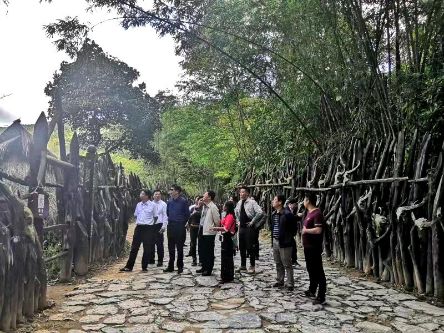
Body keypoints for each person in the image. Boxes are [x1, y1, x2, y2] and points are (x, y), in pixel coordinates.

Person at [120, 190, 157, 272]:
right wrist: (141, 222)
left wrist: (149, 225)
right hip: (139, 228)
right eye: (141, 193)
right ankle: (129, 266)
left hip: (148, 228)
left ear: (147, 196)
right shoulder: (138, 205)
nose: (140, 195)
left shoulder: (153, 205)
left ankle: (144, 267)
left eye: (142, 193)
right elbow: (136, 215)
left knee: (147, 248)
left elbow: (155, 217)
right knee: (134, 248)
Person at [302, 192, 327, 305]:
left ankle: (321, 295)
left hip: (314, 247)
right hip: (307, 246)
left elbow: (318, 230)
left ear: (308, 201)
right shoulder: (309, 213)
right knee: (310, 268)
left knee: (318, 270)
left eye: (304, 200)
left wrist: (306, 231)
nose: (303, 202)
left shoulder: (317, 213)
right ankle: (312, 289)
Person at [235, 186, 264, 274]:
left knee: (250, 247)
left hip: (249, 228)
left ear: (247, 193)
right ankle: (243, 265)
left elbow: (260, 212)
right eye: (240, 192)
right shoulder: (239, 202)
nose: (241, 194)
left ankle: (252, 266)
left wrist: (252, 221)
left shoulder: (252, 202)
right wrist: (238, 221)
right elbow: (236, 212)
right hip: (242, 227)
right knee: (242, 246)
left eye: (243, 192)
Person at [270, 194, 296, 291]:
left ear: (280, 202)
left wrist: (288, 237)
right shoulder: (273, 214)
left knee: (287, 263)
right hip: (275, 240)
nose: (273, 201)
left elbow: (294, 228)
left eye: (275, 199)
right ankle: (280, 280)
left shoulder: (287, 214)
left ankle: (290, 282)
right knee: (278, 262)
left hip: (285, 241)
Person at [164, 185, 190, 274]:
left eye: (172, 190)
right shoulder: (169, 201)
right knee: (170, 247)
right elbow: (167, 213)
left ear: (177, 191)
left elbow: (187, 214)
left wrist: (183, 223)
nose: (170, 191)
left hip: (180, 226)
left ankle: (180, 266)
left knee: (179, 247)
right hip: (171, 225)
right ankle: (170, 266)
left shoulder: (183, 201)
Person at [197, 190, 220, 276]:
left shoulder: (213, 207)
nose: (203, 196)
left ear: (209, 197)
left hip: (209, 232)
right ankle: (203, 266)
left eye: (205, 195)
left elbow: (217, 221)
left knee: (208, 251)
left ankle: (208, 269)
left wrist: (212, 229)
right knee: (201, 250)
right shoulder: (204, 206)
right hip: (202, 230)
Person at [212, 201, 236, 283]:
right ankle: (225, 276)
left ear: (227, 207)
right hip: (224, 237)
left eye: (225, 205)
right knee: (224, 257)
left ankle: (227, 276)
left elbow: (226, 228)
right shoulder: (226, 215)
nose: (223, 206)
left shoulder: (230, 216)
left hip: (227, 238)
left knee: (227, 258)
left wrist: (215, 228)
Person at [152, 189, 168, 267]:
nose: (157, 195)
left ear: (161, 195)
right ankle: (151, 259)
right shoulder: (150, 204)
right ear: (153, 195)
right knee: (150, 243)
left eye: (159, 194)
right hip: (151, 226)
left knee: (159, 244)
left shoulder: (163, 204)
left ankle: (160, 260)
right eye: (156, 194)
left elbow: (165, 215)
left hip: (159, 225)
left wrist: (164, 226)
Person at [187, 196, 203, 266]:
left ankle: (201, 260)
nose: (201, 201)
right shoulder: (192, 208)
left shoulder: (205, 209)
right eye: (200, 200)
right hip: (193, 228)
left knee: (200, 244)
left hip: (200, 228)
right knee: (193, 244)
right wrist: (188, 224)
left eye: (202, 200)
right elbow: (189, 217)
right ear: (197, 201)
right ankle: (194, 259)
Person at [287, 198, 301, 267]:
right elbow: (290, 218)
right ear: (290, 204)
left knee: (293, 247)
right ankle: (293, 261)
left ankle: (293, 261)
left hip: (291, 233)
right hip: (287, 233)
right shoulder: (286, 211)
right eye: (295, 204)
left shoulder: (293, 210)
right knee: (292, 247)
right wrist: (297, 216)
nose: (296, 206)